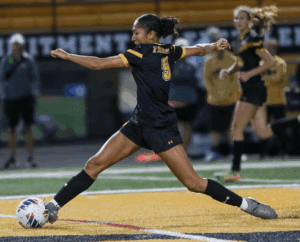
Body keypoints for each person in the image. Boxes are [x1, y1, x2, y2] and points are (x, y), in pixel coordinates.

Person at [46, 14, 278, 223]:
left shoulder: (140, 53)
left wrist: (67, 56)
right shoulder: (169, 50)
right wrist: (213, 45)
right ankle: (54, 206)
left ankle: (246, 204)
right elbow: (197, 49)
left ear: (150, 34)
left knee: (194, 183)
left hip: (160, 126)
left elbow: (99, 64)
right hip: (139, 123)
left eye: (136, 32)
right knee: (94, 164)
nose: (133, 37)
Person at [218, 5, 300, 182]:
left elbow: (269, 61)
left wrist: (249, 74)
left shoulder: (253, 38)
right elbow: (242, 62)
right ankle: (296, 121)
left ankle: (234, 171)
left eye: (241, 18)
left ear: (249, 21)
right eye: (236, 18)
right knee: (264, 132)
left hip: (253, 89)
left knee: (236, 130)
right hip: (252, 89)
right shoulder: (242, 38)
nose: (237, 21)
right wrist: (230, 71)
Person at [0, 33, 40, 169]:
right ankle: (12, 157)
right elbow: (2, 79)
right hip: (10, 99)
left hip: (26, 98)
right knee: (11, 129)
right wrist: (3, 94)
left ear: (22, 45)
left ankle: (31, 157)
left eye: (18, 44)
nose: (16, 46)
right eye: (14, 44)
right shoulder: (7, 61)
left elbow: (35, 78)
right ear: (11, 45)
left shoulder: (28, 60)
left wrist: (35, 92)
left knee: (27, 128)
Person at [203, 27, 242, 160]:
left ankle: (235, 153)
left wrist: (226, 94)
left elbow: (235, 80)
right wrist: (216, 95)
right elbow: (207, 81)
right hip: (214, 101)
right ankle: (214, 152)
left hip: (231, 99)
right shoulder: (209, 61)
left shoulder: (232, 59)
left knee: (233, 127)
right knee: (215, 130)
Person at [259, 38, 288, 158]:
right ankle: (262, 153)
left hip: (278, 100)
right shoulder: (260, 63)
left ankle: (284, 152)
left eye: (270, 48)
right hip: (264, 102)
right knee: (262, 128)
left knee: (281, 128)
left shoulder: (280, 63)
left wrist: (264, 80)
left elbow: (278, 78)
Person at [168, 37, 198, 150]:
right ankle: (174, 151)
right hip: (173, 103)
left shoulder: (191, 64)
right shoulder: (170, 64)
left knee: (187, 127)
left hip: (188, 102)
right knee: (172, 129)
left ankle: (184, 151)